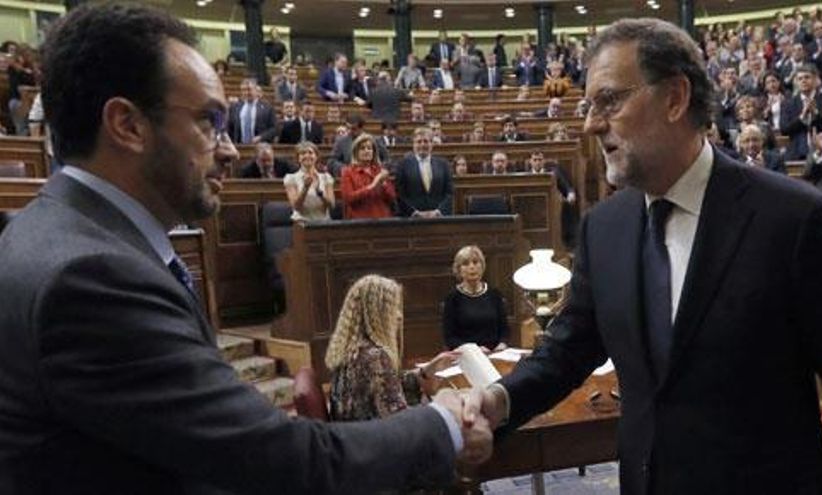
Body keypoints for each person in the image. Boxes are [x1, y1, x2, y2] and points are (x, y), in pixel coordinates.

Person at [0, 4, 492, 494]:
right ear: (127, 125)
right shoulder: (91, 277)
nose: (231, 149)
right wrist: (442, 421)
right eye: (210, 122)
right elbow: (279, 463)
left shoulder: (50, 232)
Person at [465, 18, 822, 495]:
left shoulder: (794, 219)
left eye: (609, 101)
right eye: (588, 105)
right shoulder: (603, 228)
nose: (590, 123)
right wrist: (498, 400)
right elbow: (568, 350)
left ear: (675, 98)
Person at [326, 275, 459, 421]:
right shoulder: (374, 357)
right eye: (393, 309)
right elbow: (399, 419)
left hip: (355, 434)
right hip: (373, 439)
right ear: (376, 315)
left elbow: (388, 384)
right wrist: (442, 407)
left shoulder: (355, 350)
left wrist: (426, 370)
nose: (399, 316)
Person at [442, 246, 510, 352]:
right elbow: (450, 338)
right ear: (458, 269)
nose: (472, 267)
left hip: (495, 352)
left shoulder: (494, 294)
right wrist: (475, 350)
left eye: (475, 262)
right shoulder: (452, 298)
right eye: (466, 264)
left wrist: (502, 344)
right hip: (467, 355)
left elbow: (505, 330)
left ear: (482, 266)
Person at [394, 127, 454, 218]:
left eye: (426, 141)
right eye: (419, 141)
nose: (422, 145)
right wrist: (414, 212)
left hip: (438, 219)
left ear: (431, 144)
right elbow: (400, 193)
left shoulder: (443, 164)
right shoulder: (403, 165)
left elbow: (449, 192)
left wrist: (439, 211)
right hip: (412, 220)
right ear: (413, 144)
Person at [340, 133, 396, 219]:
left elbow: (392, 197)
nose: (367, 151)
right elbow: (348, 198)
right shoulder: (347, 172)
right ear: (356, 152)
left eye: (369, 148)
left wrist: (384, 183)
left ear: (374, 152)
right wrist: (372, 186)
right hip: (359, 221)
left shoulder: (379, 171)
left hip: (383, 219)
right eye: (362, 148)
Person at [284, 142, 334, 221]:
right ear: (298, 158)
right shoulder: (291, 178)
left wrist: (320, 193)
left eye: (310, 153)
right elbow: (296, 207)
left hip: (324, 222)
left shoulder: (326, 177)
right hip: (302, 223)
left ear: (316, 157)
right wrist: (305, 188)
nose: (307, 156)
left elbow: (331, 205)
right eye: (303, 153)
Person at [227, 78, 276, 144]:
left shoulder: (267, 108)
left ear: (255, 90)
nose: (246, 93)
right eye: (243, 90)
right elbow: (230, 128)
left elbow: (274, 129)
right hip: (240, 147)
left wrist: (261, 137)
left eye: (249, 89)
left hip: (260, 146)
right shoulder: (235, 108)